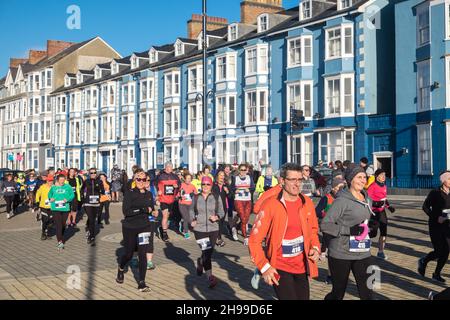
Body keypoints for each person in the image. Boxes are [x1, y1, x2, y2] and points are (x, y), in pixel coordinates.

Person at [248, 163, 320, 300]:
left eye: (300, 180)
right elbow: (254, 241)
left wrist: (315, 248)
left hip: (302, 266)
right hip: (279, 266)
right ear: (282, 181)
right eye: (292, 180)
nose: (297, 184)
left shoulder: (307, 203)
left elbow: (313, 231)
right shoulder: (271, 205)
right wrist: (264, 266)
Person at [320, 163, 375, 300]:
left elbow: (363, 223)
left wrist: (372, 227)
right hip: (341, 253)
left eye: (364, 177)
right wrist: (349, 230)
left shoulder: (367, 199)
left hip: (362, 252)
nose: (363, 180)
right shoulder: (342, 201)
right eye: (359, 177)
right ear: (350, 179)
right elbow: (325, 225)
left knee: (368, 293)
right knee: (337, 294)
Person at [116, 170, 157, 292]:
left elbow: (152, 209)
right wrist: (144, 209)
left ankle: (142, 282)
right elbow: (127, 212)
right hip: (130, 227)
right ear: (135, 180)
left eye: (144, 179)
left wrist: (154, 212)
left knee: (142, 254)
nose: (141, 182)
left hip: (145, 227)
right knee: (129, 254)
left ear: (147, 181)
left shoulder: (149, 194)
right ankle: (121, 268)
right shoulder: (129, 193)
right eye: (138, 179)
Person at [190, 176, 225, 288]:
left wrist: (217, 217)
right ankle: (210, 277)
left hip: (213, 228)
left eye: (207, 184)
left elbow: (222, 211)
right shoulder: (195, 197)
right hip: (199, 229)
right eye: (203, 184)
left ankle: (200, 262)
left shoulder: (216, 197)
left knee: (208, 252)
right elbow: (190, 210)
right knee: (206, 253)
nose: (205, 186)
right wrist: (192, 220)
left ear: (211, 186)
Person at [419, 171, 450, 283]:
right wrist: (436, 217)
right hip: (435, 226)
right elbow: (425, 207)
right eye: (449, 178)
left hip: (448, 226)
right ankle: (424, 261)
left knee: (446, 251)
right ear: (443, 181)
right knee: (438, 251)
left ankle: (436, 273)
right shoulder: (435, 193)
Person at [315, 177, 346, 284]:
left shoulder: (344, 199)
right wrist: (326, 214)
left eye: (342, 188)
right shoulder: (326, 198)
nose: (340, 190)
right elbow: (317, 211)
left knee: (340, 252)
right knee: (332, 252)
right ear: (332, 188)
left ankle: (339, 273)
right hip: (328, 227)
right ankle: (330, 275)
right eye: (338, 188)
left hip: (341, 227)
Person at [367, 169, 395, 260]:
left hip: (382, 212)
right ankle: (365, 246)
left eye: (384, 175)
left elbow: (384, 198)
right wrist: (376, 203)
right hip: (373, 212)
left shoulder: (384, 186)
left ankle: (380, 252)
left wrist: (389, 206)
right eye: (382, 175)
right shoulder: (372, 186)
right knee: (373, 233)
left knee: (384, 231)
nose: (384, 177)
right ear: (377, 176)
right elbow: (368, 200)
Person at [155, 162, 181, 242]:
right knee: (165, 216)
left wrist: (177, 186)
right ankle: (165, 233)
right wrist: (157, 194)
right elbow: (155, 184)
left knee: (168, 216)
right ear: (165, 167)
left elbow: (179, 185)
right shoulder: (160, 176)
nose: (169, 168)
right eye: (168, 166)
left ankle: (161, 228)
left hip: (171, 199)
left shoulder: (175, 176)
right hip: (163, 199)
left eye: (170, 167)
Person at [230, 164, 255, 245]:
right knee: (243, 218)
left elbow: (253, 187)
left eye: (244, 170)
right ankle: (245, 237)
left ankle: (235, 227)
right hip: (238, 200)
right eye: (241, 170)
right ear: (239, 170)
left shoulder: (249, 178)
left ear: (246, 170)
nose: (243, 171)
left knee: (246, 218)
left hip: (247, 200)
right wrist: (234, 191)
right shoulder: (235, 178)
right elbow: (232, 188)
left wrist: (250, 189)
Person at [48, 174, 75, 250]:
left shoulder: (68, 187)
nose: (62, 181)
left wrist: (68, 199)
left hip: (65, 208)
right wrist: (51, 198)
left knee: (63, 225)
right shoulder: (54, 187)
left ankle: (60, 236)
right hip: (55, 208)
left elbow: (72, 195)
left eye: (63, 180)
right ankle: (60, 242)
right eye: (61, 180)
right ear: (58, 180)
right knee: (58, 225)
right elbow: (49, 194)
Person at [82, 168, 104, 246]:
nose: (93, 174)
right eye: (91, 173)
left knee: (92, 219)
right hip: (88, 203)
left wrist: (100, 190)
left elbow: (103, 191)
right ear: (89, 174)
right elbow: (82, 190)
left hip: (96, 203)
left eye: (94, 173)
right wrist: (83, 200)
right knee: (92, 219)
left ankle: (88, 227)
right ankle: (92, 237)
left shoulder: (99, 181)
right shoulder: (86, 181)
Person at [212, 170, 229, 247]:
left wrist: (227, 191)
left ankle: (218, 237)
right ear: (217, 176)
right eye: (220, 175)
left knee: (221, 222)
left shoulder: (226, 185)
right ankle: (218, 238)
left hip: (224, 206)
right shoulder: (214, 185)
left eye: (223, 175)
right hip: (215, 206)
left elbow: (231, 196)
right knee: (216, 222)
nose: (222, 177)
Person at [178, 173, 198, 239]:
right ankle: (186, 232)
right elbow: (176, 194)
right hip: (182, 204)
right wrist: (180, 196)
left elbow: (196, 195)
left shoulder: (193, 186)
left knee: (189, 218)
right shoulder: (181, 185)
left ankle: (182, 224)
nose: (189, 180)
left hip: (190, 205)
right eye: (187, 178)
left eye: (190, 178)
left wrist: (194, 195)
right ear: (184, 179)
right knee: (186, 217)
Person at [35, 175, 54, 240]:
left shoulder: (54, 187)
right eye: (49, 181)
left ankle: (47, 232)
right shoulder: (42, 187)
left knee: (51, 221)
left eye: (51, 181)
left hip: (52, 206)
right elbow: (37, 194)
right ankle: (43, 234)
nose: (50, 182)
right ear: (47, 181)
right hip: (44, 206)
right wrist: (37, 202)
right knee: (45, 220)